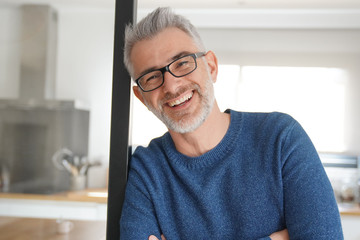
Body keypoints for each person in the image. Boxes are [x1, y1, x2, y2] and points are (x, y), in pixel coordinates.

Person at [120, 7, 343, 240]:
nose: (172, 86)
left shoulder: (281, 138)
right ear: (142, 97)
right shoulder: (146, 169)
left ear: (212, 67)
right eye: (152, 77)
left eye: (182, 64)